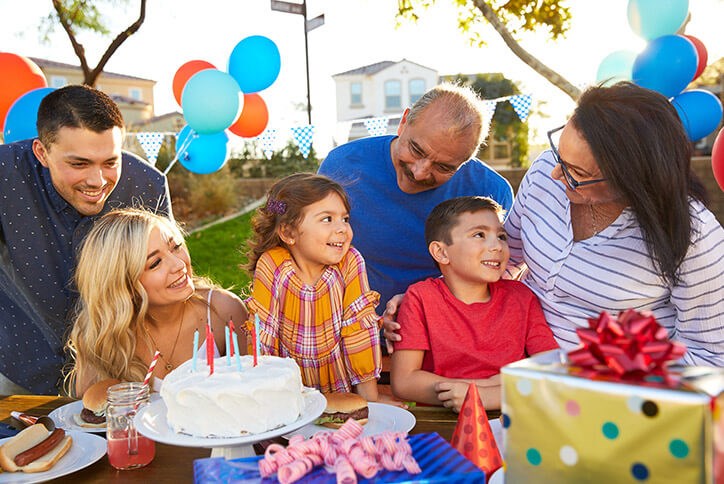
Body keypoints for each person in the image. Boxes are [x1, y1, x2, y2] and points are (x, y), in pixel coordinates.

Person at [502, 82, 723, 366]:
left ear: (632, 178)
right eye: (560, 155)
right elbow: (507, 261)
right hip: (516, 368)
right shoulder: (545, 172)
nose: (557, 173)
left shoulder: (694, 236)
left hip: (612, 392)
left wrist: (615, 374)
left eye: (577, 172)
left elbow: (710, 357)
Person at [0, 84, 172, 395]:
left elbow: (166, 281)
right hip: (19, 370)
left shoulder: (149, 185)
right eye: (79, 164)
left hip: (124, 371)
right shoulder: (4, 177)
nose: (97, 181)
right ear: (42, 151)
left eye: (110, 162)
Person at [319, 83, 514, 313]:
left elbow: (498, 280)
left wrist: (424, 302)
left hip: (445, 326)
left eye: (443, 167)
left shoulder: (491, 192)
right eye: (416, 150)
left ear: (466, 160)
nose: (420, 172)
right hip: (349, 325)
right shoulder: (342, 165)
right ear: (404, 122)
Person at [391, 196, 558, 412]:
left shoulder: (521, 297)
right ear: (441, 252)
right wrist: (482, 389)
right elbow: (404, 382)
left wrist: (490, 395)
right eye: (479, 235)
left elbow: (552, 370)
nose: (497, 245)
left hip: (512, 420)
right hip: (443, 424)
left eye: (501, 236)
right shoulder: (420, 298)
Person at [66, 208, 247, 396]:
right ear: (123, 284)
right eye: (155, 263)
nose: (178, 265)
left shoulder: (224, 311)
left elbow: (254, 394)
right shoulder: (100, 337)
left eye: (176, 247)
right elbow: (88, 420)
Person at [244, 173, 384, 402]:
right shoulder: (273, 266)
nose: (342, 229)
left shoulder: (350, 262)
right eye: (327, 219)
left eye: (345, 219)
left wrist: (371, 402)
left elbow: (359, 332)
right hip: (287, 392)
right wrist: (268, 401)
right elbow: (263, 336)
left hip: (340, 390)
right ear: (288, 232)